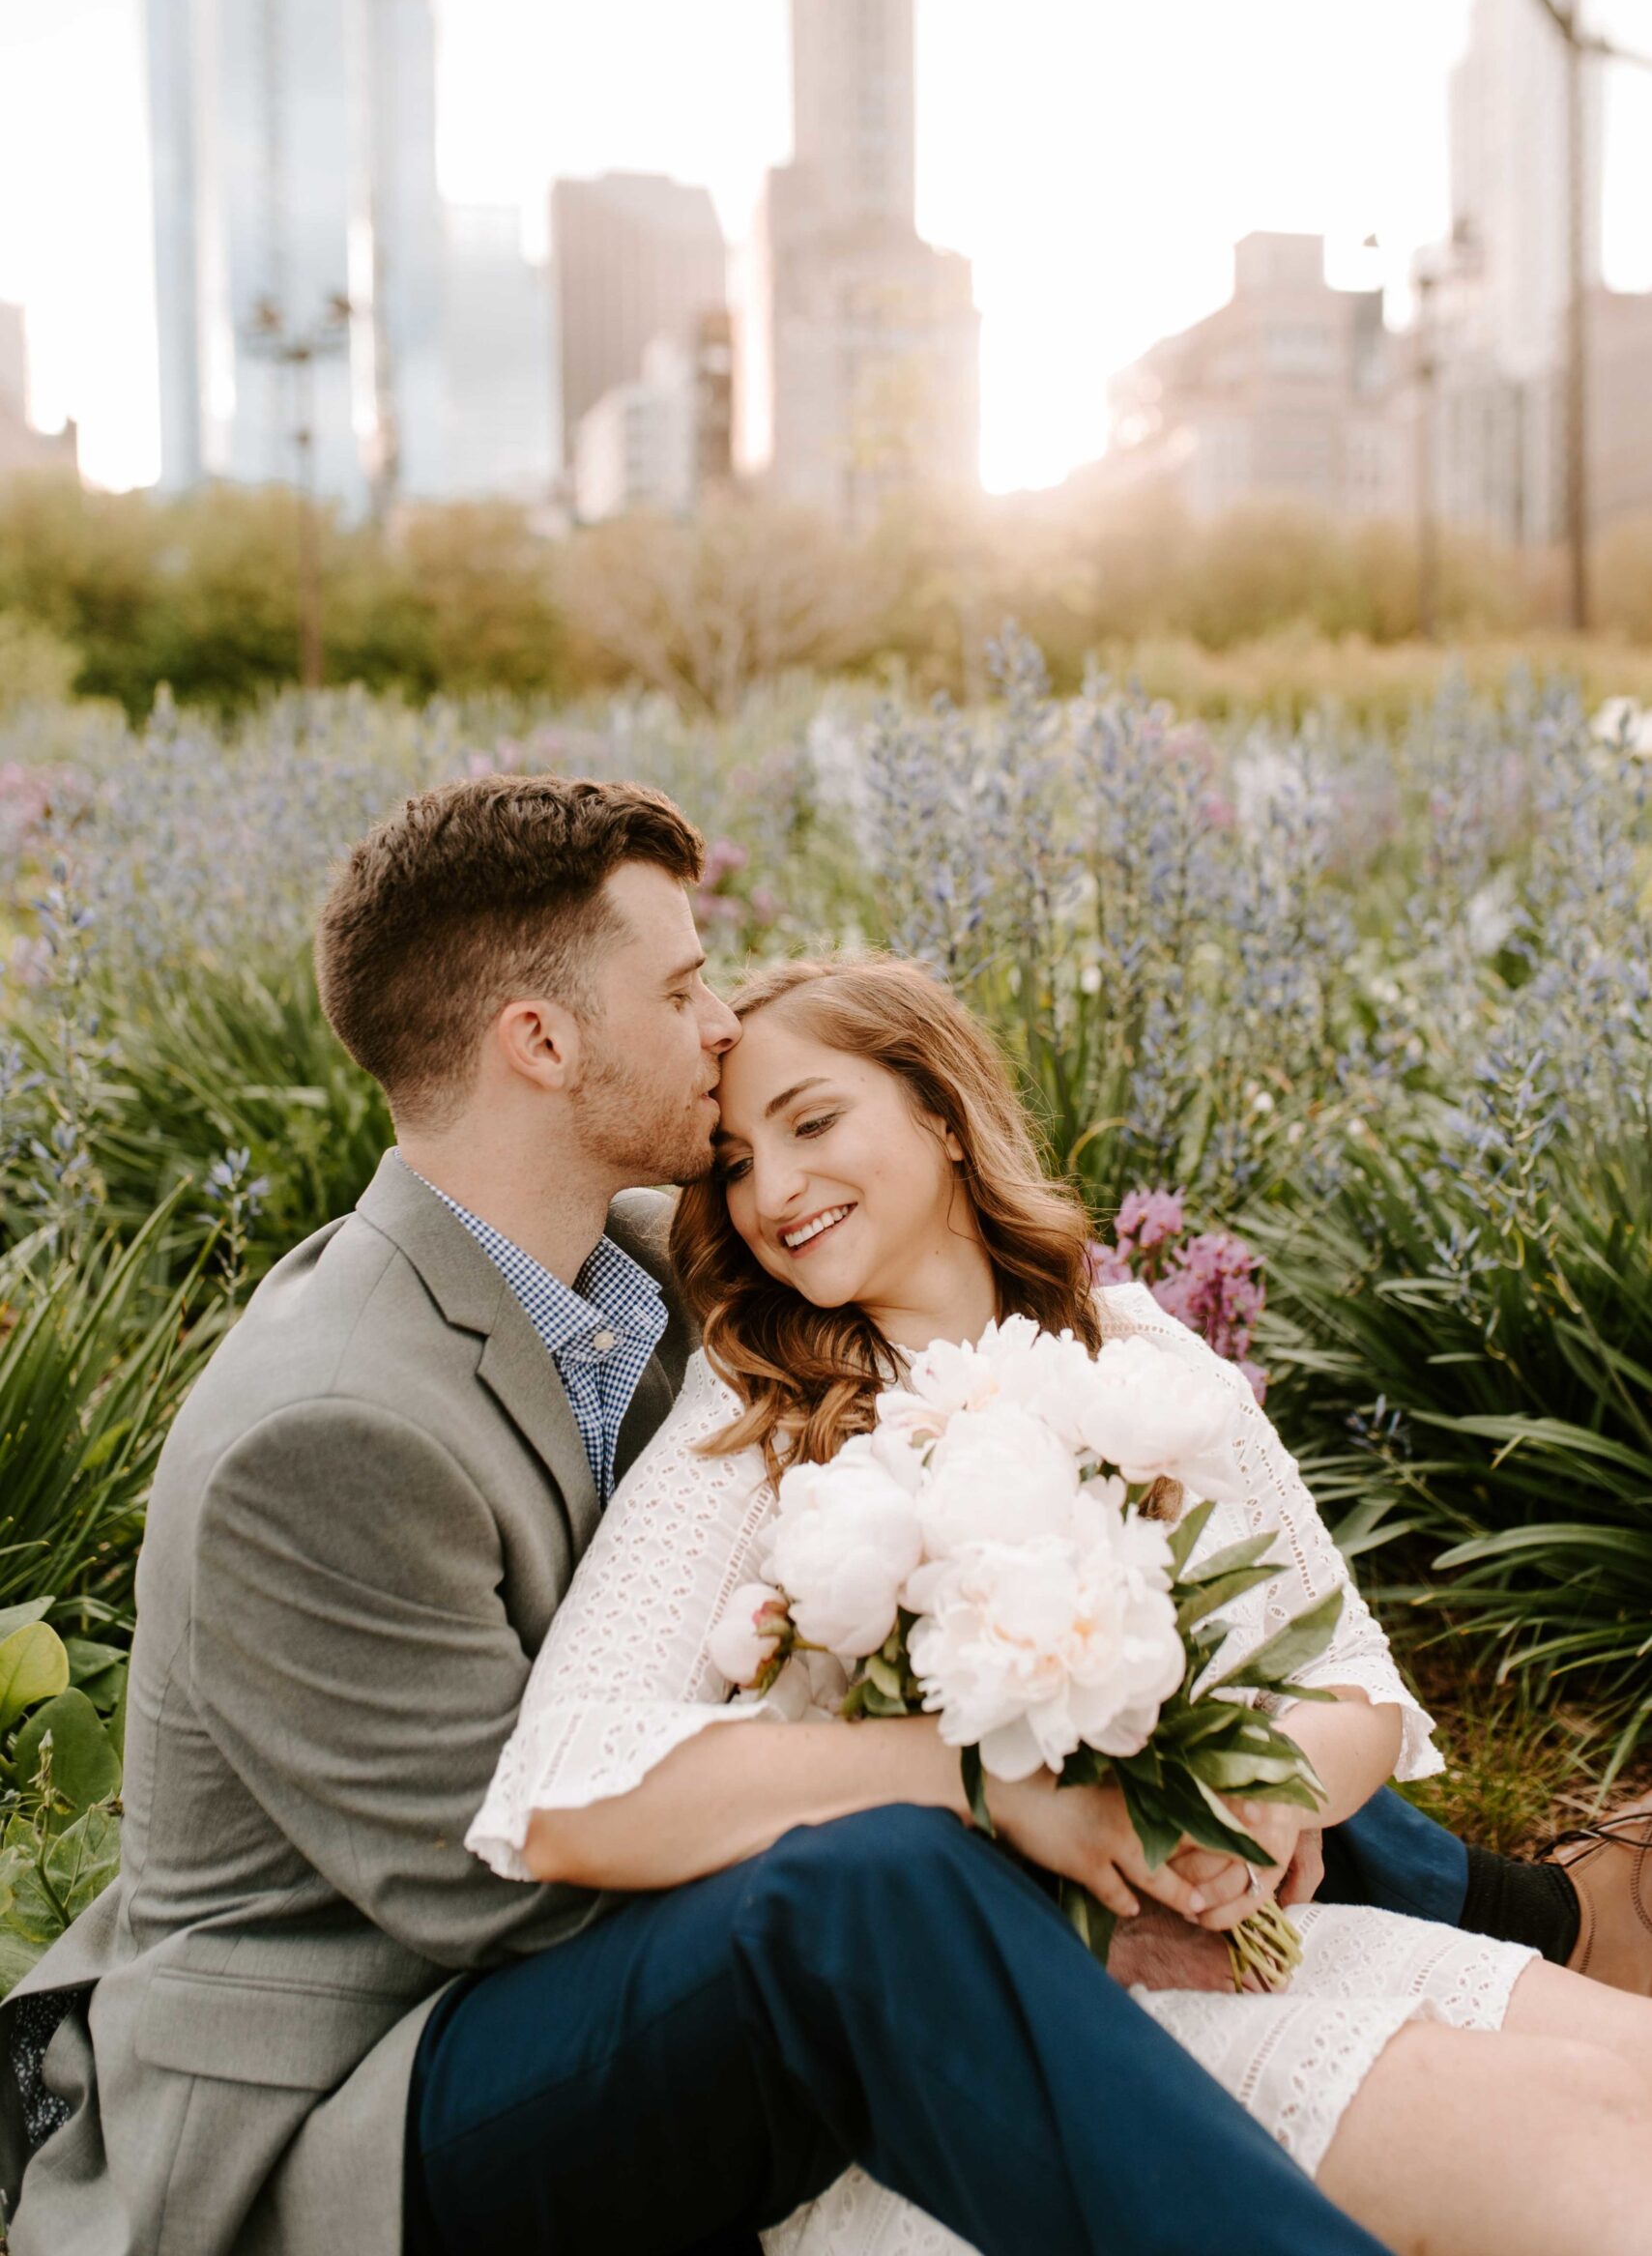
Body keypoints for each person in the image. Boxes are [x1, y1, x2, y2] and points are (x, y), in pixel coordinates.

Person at [0, 774, 1640, 2256]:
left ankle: (1542, 1922)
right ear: (541, 1044)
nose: (721, 1026)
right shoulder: (330, 1424)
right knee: (886, 1874)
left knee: (1092, 1668)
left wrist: (1074, 1718)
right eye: (681, 985)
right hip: (357, 2101)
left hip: (582, 1929)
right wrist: (1009, 1801)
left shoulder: (640, 1260)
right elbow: (494, 1887)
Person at [463, 952, 1652, 2256]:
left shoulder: (1139, 1357)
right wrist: (981, 1779)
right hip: (990, 2036)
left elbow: (1357, 1688)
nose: (774, 1191)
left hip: (1244, 1939)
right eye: (735, 1162)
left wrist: (1256, 1800)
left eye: (811, 1124)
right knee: (1576, 2169)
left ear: (941, 1111)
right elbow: (567, 1795)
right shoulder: (758, 1424)